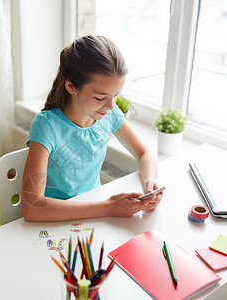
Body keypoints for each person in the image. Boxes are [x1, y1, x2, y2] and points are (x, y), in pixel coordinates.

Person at [21, 35, 162, 222]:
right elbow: (32, 207)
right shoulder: (47, 125)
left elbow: (145, 154)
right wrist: (108, 208)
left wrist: (149, 183)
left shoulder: (109, 114)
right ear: (71, 86)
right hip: (56, 220)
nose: (111, 105)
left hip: (94, 214)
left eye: (115, 96)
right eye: (100, 98)